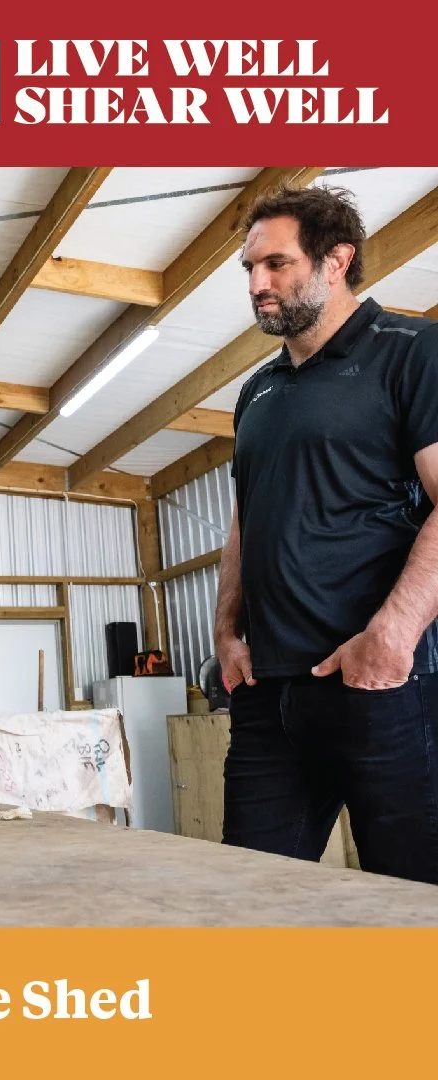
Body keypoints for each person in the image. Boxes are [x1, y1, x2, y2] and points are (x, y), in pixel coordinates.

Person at [214, 185, 438, 884]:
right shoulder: (256, 392)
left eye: (276, 264)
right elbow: (246, 516)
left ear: (336, 261)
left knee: (410, 900)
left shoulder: (414, 352)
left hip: (384, 684)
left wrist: (392, 637)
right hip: (267, 691)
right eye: (251, 268)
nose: (257, 283)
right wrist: (225, 630)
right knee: (251, 897)